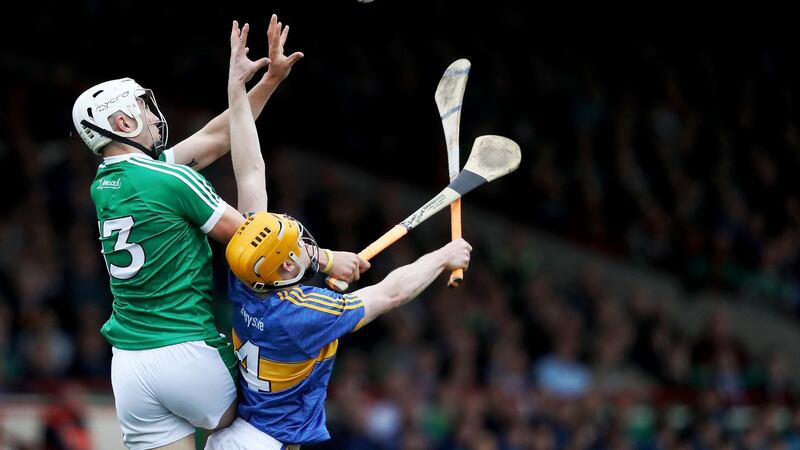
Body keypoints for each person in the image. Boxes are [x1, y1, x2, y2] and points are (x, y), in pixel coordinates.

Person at [71, 15, 366, 450]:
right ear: (122, 123)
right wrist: (324, 258)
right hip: (187, 354)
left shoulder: (107, 184)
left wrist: (265, 83)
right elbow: (255, 239)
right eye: (141, 108)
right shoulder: (170, 181)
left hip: (130, 369)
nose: (153, 117)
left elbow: (214, 138)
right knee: (275, 409)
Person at [203, 20, 472, 450]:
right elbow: (391, 295)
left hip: (240, 438)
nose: (306, 244)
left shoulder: (246, 271)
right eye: (299, 245)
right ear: (288, 265)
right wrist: (443, 256)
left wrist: (240, 88)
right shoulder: (306, 312)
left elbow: (251, 171)